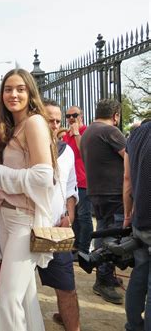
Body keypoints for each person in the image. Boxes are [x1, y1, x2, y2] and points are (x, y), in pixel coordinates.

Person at [0, 68, 57, 331]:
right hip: (7, 219)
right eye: (8, 89)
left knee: (9, 299)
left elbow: (42, 177)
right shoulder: (12, 127)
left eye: (20, 89)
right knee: (24, 299)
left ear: (30, 93)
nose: (14, 94)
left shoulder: (34, 122)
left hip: (25, 220)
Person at [38, 99, 81, 331]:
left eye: (57, 121)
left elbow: (71, 187)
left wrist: (70, 213)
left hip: (56, 231)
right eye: (49, 120)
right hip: (25, 229)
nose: (54, 125)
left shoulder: (67, 152)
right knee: (21, 292)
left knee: (67, 288)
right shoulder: (24, 149)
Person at [80, 98, 126, 305]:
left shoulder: (88, 132)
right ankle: (104, 278)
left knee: (104, 232)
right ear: (115, 115)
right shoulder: (110, 132)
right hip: (114, 192)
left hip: (96, 191)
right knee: (114, 236)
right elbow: (130, 157)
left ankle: (103, 274)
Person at [123, 118, 151, 331]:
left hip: (140, 219)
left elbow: (127, 180)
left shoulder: (137, 135)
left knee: (139, 275)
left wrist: (127, 214)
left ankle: (133, 330)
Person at [63, 106, 93, 257]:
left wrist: (76, 133)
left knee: (84, 216)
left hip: (84, 181)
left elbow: (84, 152)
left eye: (74, 115)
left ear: (81, 115)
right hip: (70, 181)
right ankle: (75, 246)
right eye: (68, 116)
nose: (71, 118)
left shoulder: (86, 132)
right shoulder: (65, 134)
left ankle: (84, 249)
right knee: (73, 217)